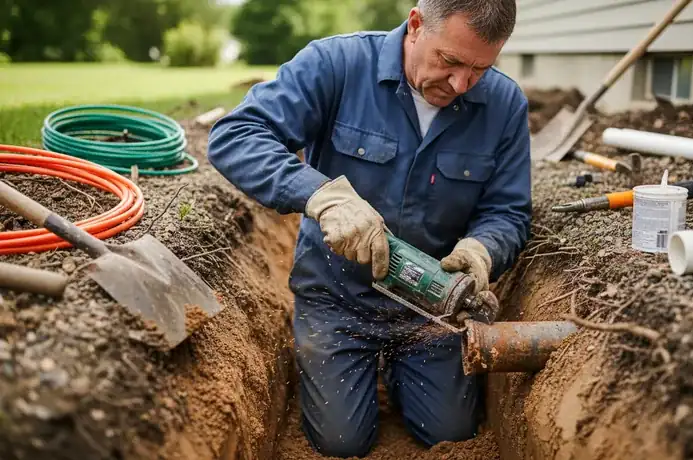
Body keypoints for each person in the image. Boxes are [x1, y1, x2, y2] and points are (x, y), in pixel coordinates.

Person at [207, 0, 531, 457]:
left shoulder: (504, 104)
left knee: (449, 433)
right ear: (416, 25)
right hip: (336, 299)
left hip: (430, 309)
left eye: (480, 69)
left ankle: (405, 373)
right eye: (450, 61)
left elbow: (509, 211)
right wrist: (322, 197)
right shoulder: (336, 65)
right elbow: (237, 135)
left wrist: (483, 249)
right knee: (341, 442)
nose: (461, 84)